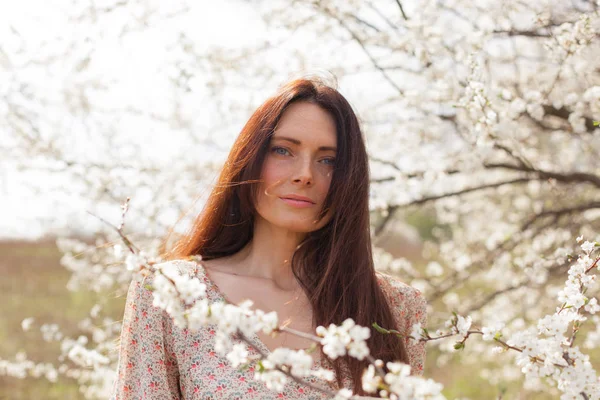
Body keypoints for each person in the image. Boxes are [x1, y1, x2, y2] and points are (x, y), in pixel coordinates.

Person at [110, 75, 427, 399]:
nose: (305, 174)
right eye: (283, 151)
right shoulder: (171, 292)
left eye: (328, 160)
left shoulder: (395, 307)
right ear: (251, 159)